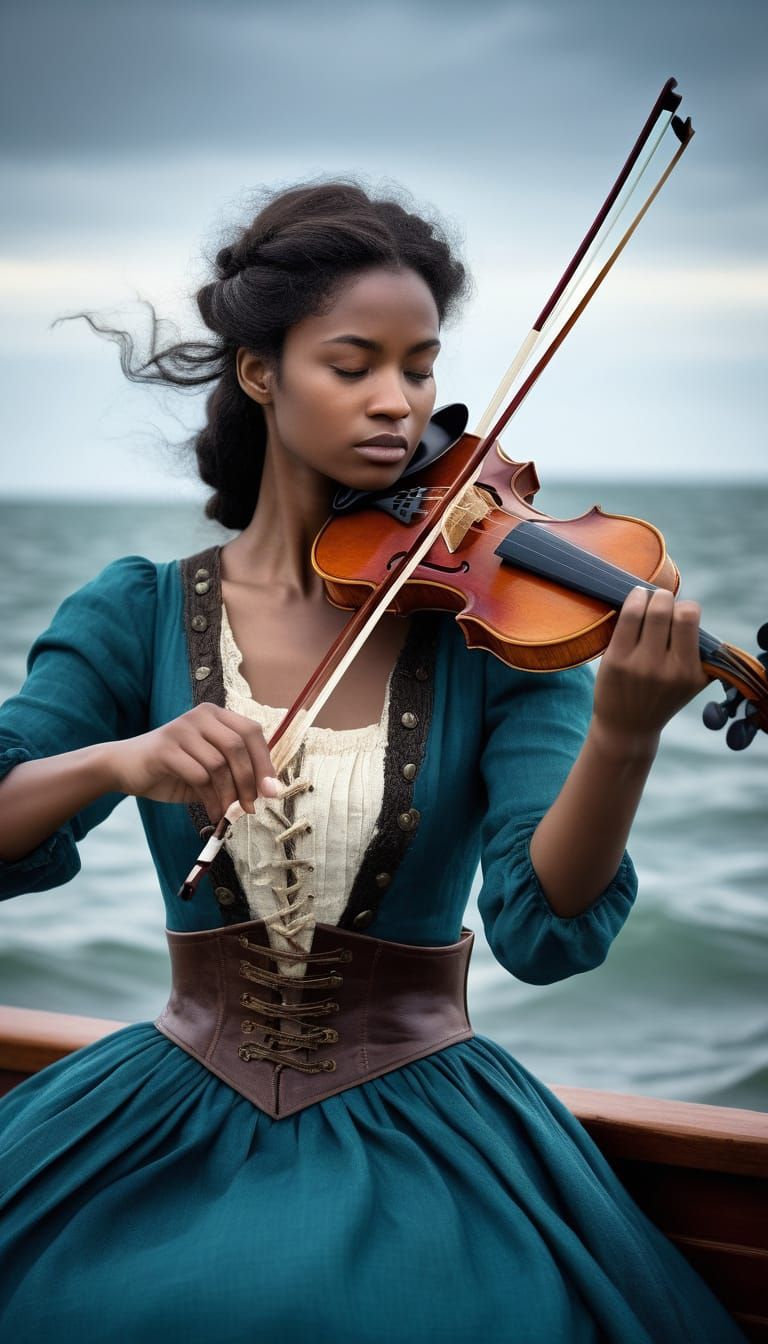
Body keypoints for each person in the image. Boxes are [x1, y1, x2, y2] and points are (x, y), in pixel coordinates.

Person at [0, 181, 747, 1343]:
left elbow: (545, 930)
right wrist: (119, 760)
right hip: (168, 1098)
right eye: (354, 365)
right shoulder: (138, 612)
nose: (401, 404)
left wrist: (625, 734)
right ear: (262, 372)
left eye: (421, 366)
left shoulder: (495, 628)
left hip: (418, 1115)